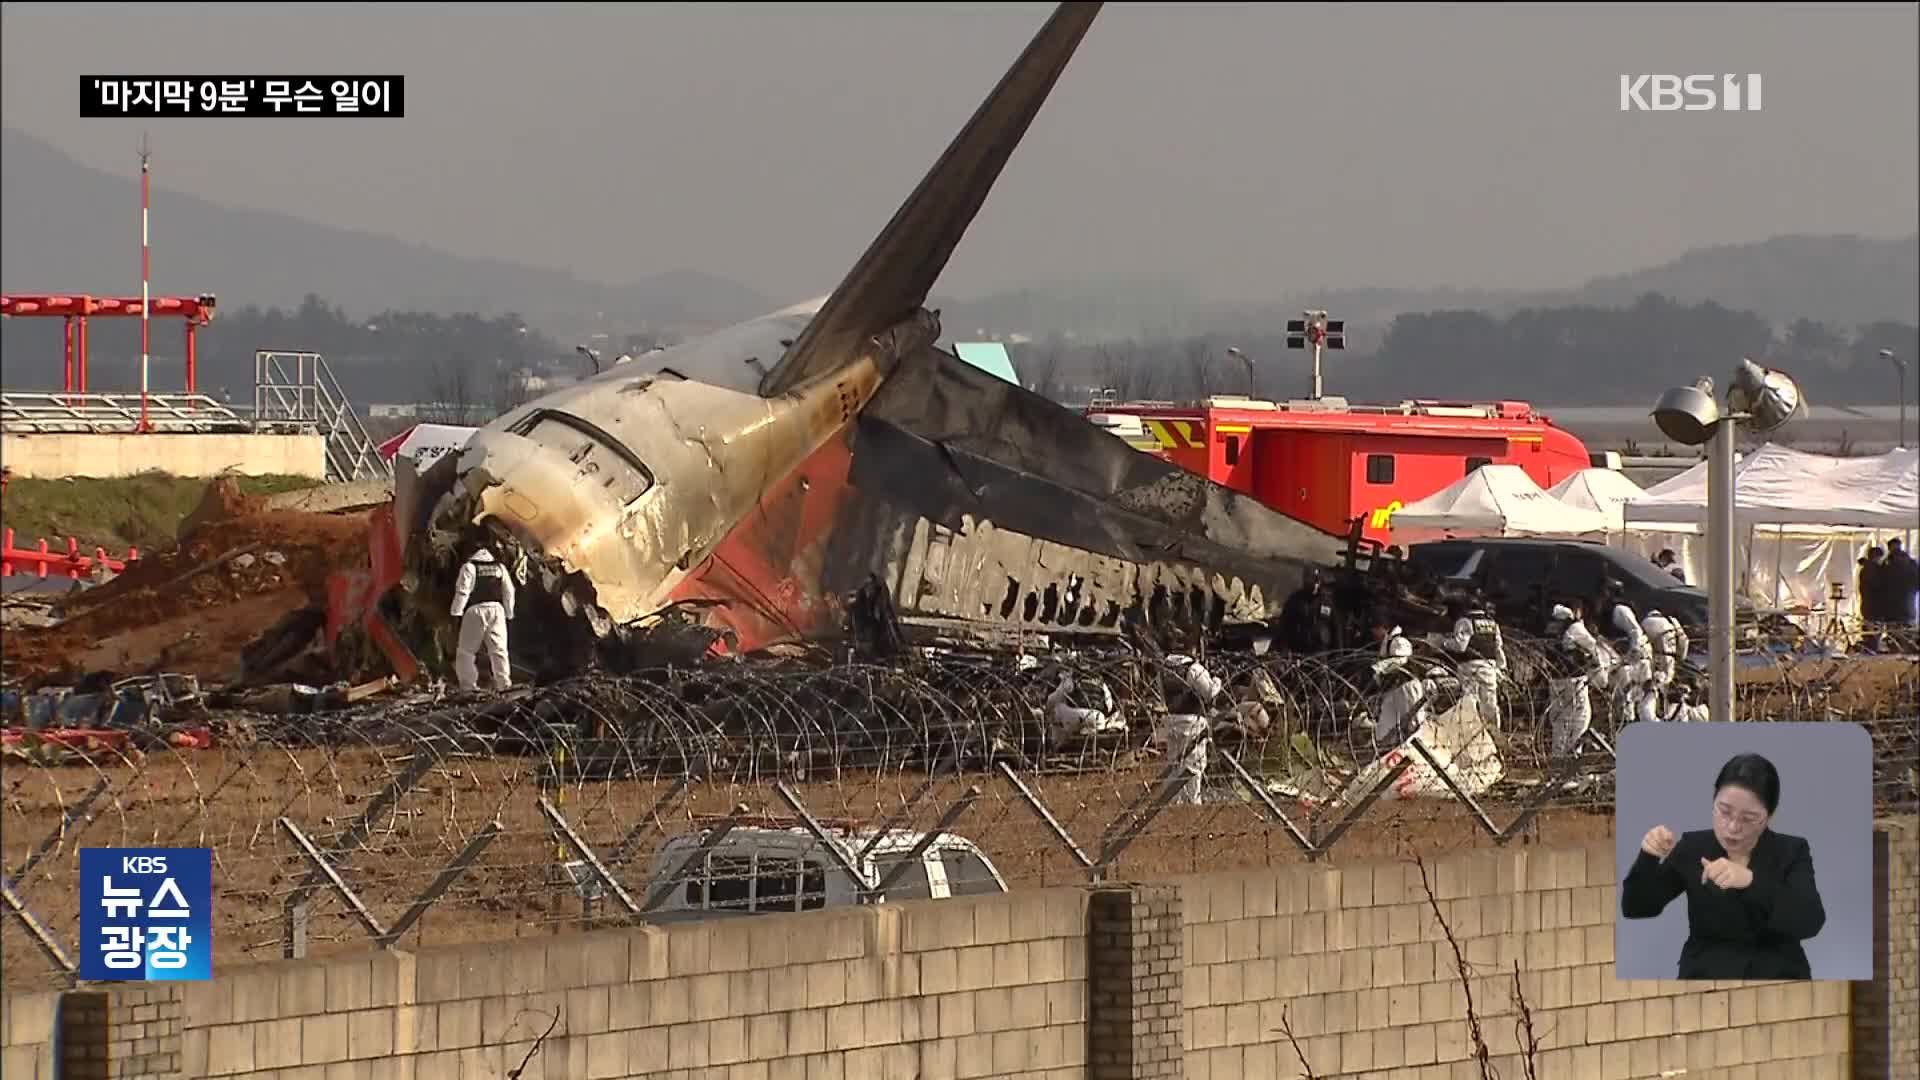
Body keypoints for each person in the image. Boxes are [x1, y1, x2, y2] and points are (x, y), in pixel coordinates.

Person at [1620, 752, 1826, 980]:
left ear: (1769, 817)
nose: (1733, 827)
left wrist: (1750, 881)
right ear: (1713, 801)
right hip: (1706, 978)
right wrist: (1648, 856)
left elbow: (1810, 920)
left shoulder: (1791, 850)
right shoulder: (1694, 847)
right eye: (1724, 811)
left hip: (1777, 978)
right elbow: (1637, 908)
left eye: (1748, 818)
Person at [449, 542, 516, 691]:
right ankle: (504, 684)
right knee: (499, 650)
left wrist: (456, 613)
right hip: (497, 610)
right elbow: (509, 591)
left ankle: (468, 686)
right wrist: (509, 613)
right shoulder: (500, 568)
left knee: (466, 651)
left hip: (475, 610)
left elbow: (463, 592)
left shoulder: (469, 567)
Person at [1544, 599, 1604, 759]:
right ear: (1576, 610)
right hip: (1574, 679)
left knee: (1559, 720)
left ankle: (1558, 757)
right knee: (1581, 717)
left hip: (1556, 680)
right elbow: (1593, 647)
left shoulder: (1551, 627)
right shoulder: (1575, 627)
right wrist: (1599, 671)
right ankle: (1573, 754)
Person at [1442, 594, 1506, 729]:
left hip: (1469, 666)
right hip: (1489, 666)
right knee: (1490, 703)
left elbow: (1461, 646)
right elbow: (1498, 647)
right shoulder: (1492, 623)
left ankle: (1471, 733)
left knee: (1469, 702)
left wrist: (1444, 643)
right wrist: (1501, 667)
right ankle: (1494, 734)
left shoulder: (1465, 621)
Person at [1369, 611, 1430, 746]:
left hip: (1407, 687)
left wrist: (1381, 667)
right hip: (1393, 691)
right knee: (1385, 725)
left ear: (1382, 628)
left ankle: (1422, 750)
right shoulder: (1387, 643)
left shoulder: (1399, 641)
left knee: (1415, 725)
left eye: (1375, 630)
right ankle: (1384, 749)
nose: (1374, 634)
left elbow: (1403, 660)